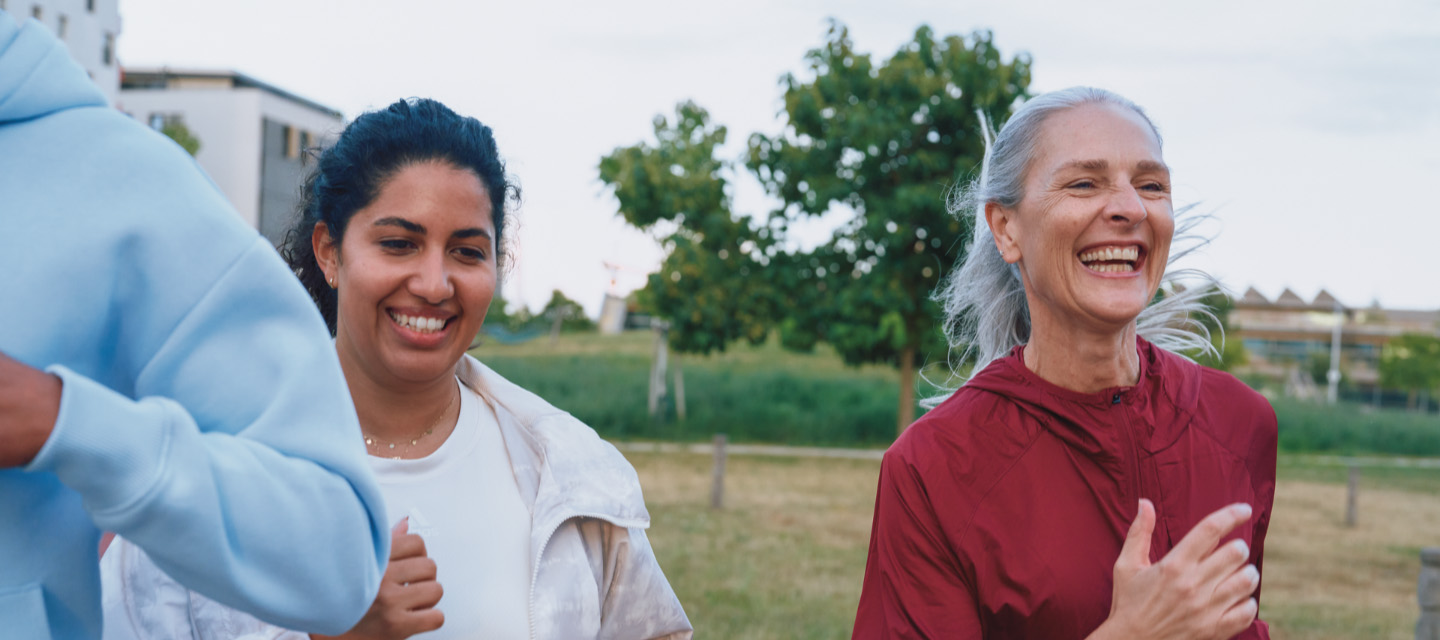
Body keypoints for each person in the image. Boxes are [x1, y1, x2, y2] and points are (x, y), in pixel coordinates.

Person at [101, 98, 694, 640]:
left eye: (467, 251)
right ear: (330, 252)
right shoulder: (203, 472)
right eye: (399, 244)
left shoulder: (571, 475)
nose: (435, 284)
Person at [0, 10, 389, 640]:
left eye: (468, 250)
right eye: (400, 243)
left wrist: (61, 421)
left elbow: (338, 555)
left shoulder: (122, 183)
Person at [852, 87, 1276, 639]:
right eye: (1083, 183)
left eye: (1151, 185)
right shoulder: (932, 468)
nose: (1129, 207)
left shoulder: (1240, 422)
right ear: (1006, 229)